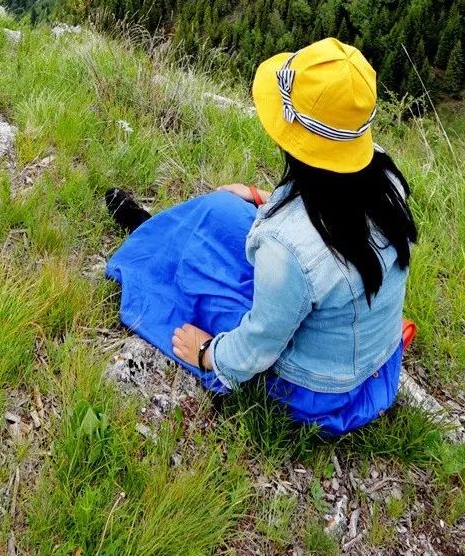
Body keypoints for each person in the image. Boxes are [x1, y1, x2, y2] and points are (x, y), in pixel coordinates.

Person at [104, 37, 417, 434]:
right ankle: (152, 227)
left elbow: (258, 345)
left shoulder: (287, 248)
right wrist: (258, 197)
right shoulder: (384, 176)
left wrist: (207, 353)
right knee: (223, 209)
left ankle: (145, 238)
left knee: (196, 277)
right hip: (375, 364)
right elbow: (337, 220)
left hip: (319, 395)